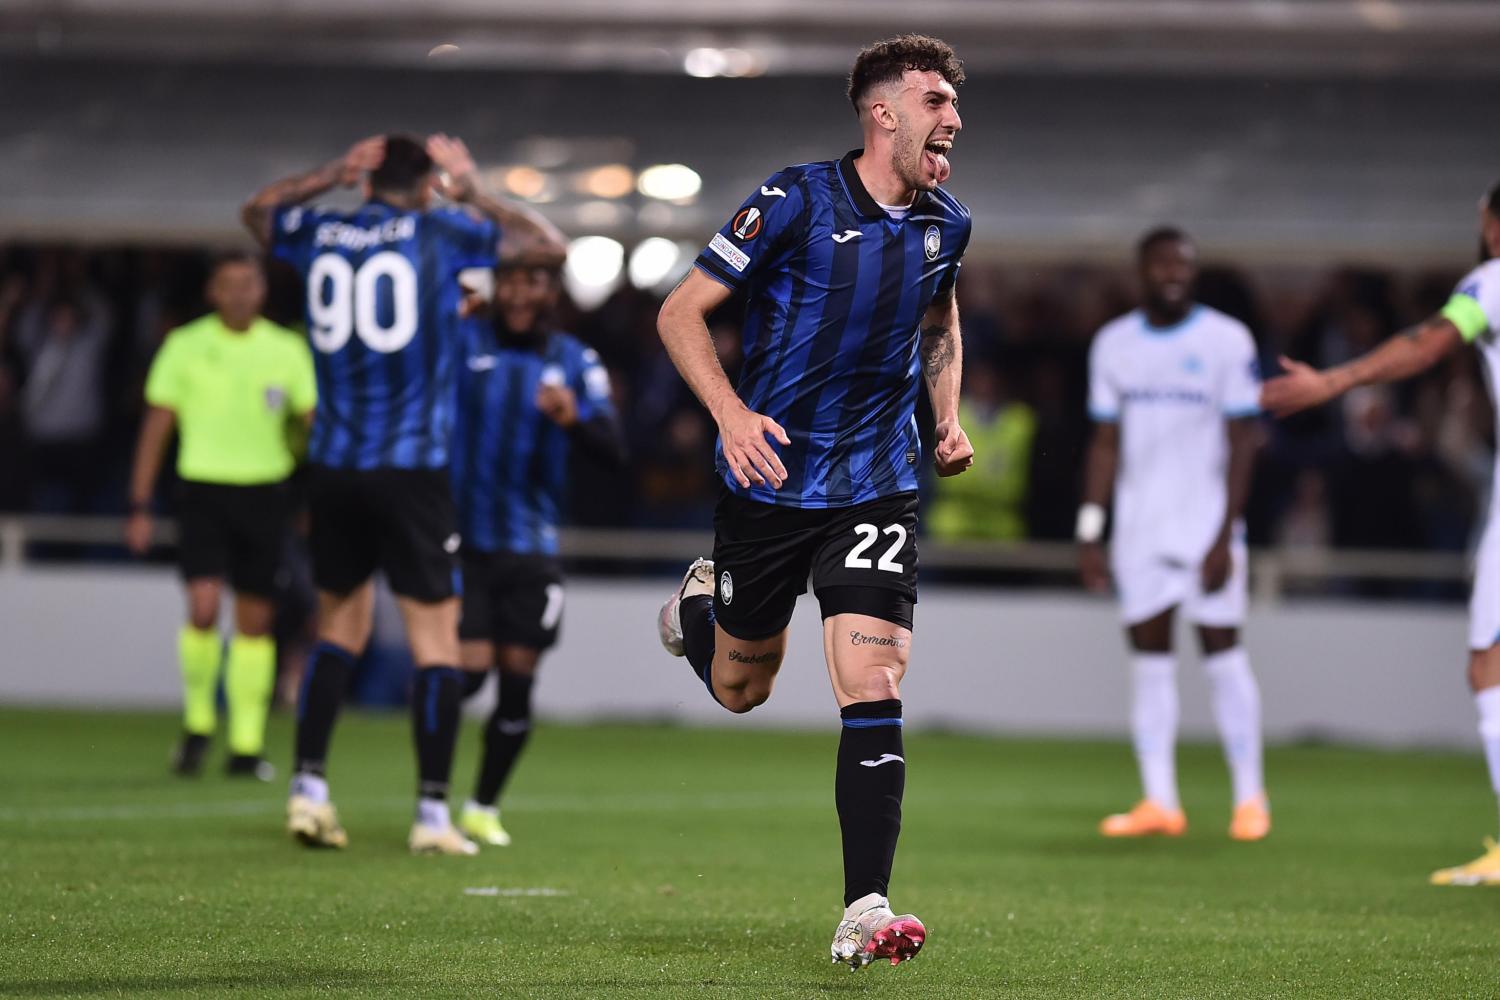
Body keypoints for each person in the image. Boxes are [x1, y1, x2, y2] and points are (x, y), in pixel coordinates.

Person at [654, 34, 973, 970]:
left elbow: (940, 315)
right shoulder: (793, 199)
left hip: (878, 484)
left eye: (954, 103)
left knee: (873, 682)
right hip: (771, 477)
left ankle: (866, 908)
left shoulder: (945, 224)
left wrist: (944, 418)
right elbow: (680, 312)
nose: (951, 118)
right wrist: (732, 414)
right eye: (934, 101)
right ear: (883, 113)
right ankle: (699, 607)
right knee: (740, 689)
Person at [241, 133, 565, 854]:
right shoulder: (443, 229)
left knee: (338, 630)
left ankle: (310, 789)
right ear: (427, 185)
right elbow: (546, 245)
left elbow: (257, 212)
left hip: (334, 464)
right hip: (413, 467)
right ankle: (429, 816)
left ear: (363, 182)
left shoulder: (325, 228)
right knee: (435, 641)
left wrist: (329, 169)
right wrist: (471, 187)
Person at [1262, 182, 1500, 885]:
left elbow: (1433, 340)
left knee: (1489, 663)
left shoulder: (1488, 283)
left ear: (1491, 226)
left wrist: (1334, 384)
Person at [1078, 226, 1269, 841]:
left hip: (1206, 528)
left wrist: (1226, 534)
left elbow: (1245, 441)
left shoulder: (1225, 340)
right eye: (1162, 265)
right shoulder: (1114, 344)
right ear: (1142, 272)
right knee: (1150, 662)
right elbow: (1104, 443)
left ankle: (1250, 799)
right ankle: (1160, 800)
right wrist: (1090, 529)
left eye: (1183, 265)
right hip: (1138, 530)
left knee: (1224, 654)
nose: (1173, 274)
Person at [450, 259, 625, 847]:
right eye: (513, 281)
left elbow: (615, 451)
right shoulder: (463, 339)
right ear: (496, 288)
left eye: (534, 282)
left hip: (532, 546)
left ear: (551, 291)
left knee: (517, 681)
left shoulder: (575, 361)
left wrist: (573, 418)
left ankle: (481, 805)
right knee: (467, 674)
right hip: (465, 542)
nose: (522, 293)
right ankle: (431, 795)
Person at [127, 253, 316, 780]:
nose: (238, 293)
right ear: (212, 291)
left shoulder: (286, 349)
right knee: (205, 608)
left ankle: (246, 743)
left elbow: (313, 422)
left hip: (265, 491)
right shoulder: (186, 346)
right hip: (204, 489)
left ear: (261, 291)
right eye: (228, 284)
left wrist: (326, 495)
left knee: (255, 622)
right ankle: (197, 725)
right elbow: (158, 424)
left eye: (248, 283)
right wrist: (138, 502)